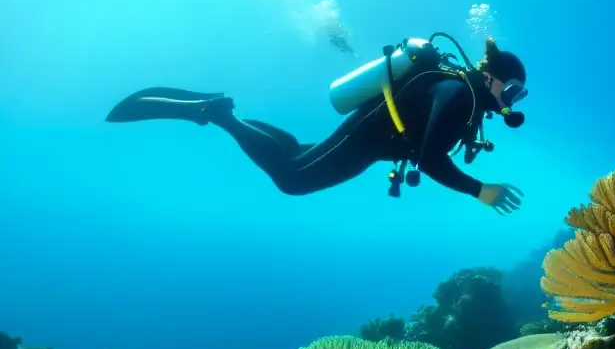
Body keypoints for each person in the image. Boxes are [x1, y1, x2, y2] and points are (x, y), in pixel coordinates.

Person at [105, 35, 527, 214]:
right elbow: (433, 159)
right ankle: (217, 114)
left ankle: (219, 109)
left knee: (298, 156)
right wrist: (480, 190)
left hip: (368, 138)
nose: (510, 102)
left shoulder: (460, 94)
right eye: (511, 90)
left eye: (517, 96)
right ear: (490, 77)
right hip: (366, 140)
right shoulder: (457, 95)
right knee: (292, 179)